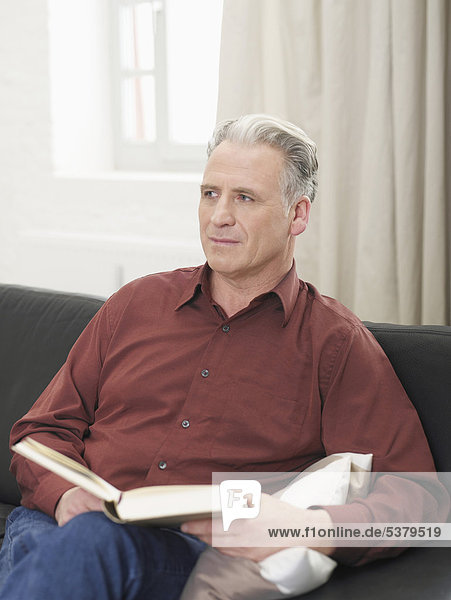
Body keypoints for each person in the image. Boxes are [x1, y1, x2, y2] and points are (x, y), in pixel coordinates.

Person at [0, 115, 448, 600]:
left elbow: (421, 503)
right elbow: (39, 431)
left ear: (298, 215)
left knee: (76, 553)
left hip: (180, 554)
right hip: (57, 523)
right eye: (210, 193)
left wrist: (305, 527)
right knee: (55, 549)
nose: (219, 216)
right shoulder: (134, 304)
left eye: (245, 198)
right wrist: (65, 497)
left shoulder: (334, 344)